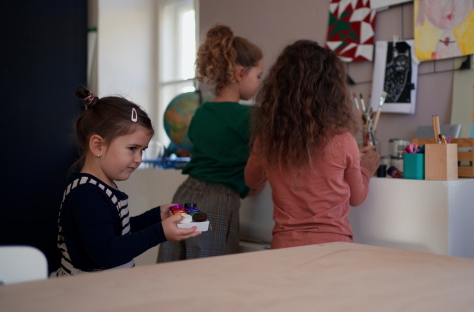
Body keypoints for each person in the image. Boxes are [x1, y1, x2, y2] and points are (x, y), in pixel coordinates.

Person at [244, 40, 380, 249]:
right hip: (335, 248)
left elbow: (252, 180)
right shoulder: (343, 140)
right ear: (332, 92)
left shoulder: (267, 141)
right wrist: (366, 170)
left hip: (284, 247)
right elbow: (357, 197)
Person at [56, 86, 201, 276]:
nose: (139, 158)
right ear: (98, 145)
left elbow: (117, 230)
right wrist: (160, 232)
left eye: (142, 150)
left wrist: (156, 216)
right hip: (86, 297)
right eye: (132, 148)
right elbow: (106, 253)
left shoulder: (101, 186)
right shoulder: (86, 194)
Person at [157, 24, 264, 261]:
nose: (259, 84)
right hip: (216, 202)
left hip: (187, 193)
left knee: (179, 260)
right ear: (239, 74)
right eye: (258, 76)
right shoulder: (249, 116)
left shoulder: (202, 111)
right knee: (208, 266)